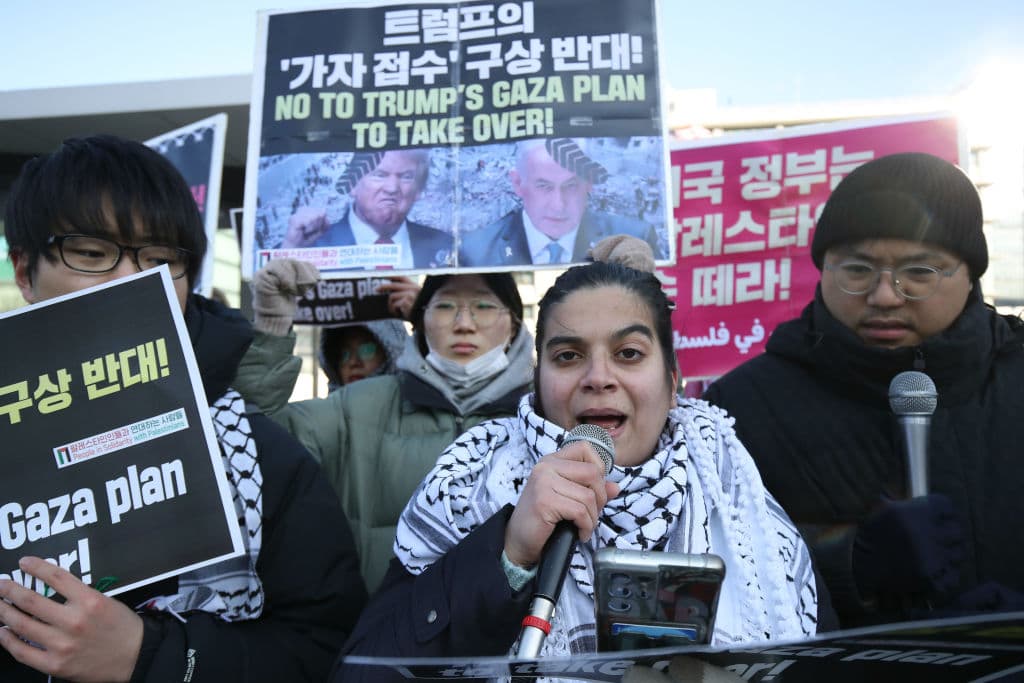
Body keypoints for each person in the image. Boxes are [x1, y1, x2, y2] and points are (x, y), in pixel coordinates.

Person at [332, 261, 829, 683]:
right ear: (539, 382)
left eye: (628, 354)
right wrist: (507, 554)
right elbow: (366, 670)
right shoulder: (471, 480)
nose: (597, 378)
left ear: (672, 382)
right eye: (568, 356)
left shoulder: (736, 496)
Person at [0, 135, 366, 682]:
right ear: (25, 271)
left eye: (161, 259)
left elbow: (330, 648)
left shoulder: (262, 457)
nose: (131, 282)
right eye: (92, 254)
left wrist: (153, 654)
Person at [703, 152, 1024, 627]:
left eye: (919, 272)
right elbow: (714, 573)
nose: (885, 296)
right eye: (856, 271)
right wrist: (850, 562)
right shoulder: (739, 408)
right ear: (823, 268)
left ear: (970, 273)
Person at [234, 264, 534, 593]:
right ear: (421, 321)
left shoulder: (545, 415)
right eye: (445, 306)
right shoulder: (358, 406)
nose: (464, 324)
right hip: (375, 632)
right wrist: (272, 327)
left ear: (514, 324)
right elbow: (252, 439)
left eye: (484, 306)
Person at [459, 138, 660, 267]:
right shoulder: (475, 250)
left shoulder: (634, 240)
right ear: (518, 183)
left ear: (589, 182)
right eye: (544, 186)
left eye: (571, 186)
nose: (558, 205)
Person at [279, 149, 453, 269]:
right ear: (353, 184)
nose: (392, 188)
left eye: (406, 177)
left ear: (419, 190)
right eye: (379, 175)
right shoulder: (308, 248)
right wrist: (290, 250)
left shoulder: (446, 246)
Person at [319, 319, 409, 390]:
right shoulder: (323, 412)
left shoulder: (415, 408)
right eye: (343, 354)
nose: (353, 362)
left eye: (367, 350)